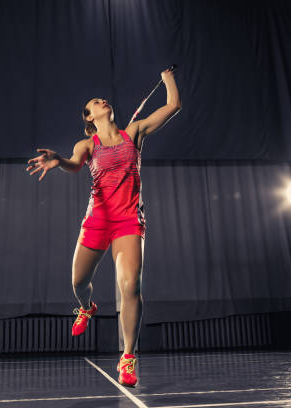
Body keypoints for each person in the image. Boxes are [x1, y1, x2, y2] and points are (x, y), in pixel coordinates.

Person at [26, 68, 180, 387]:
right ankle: (86, 307)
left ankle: (127, 357)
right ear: (89, 116)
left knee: (130, 287)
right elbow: (73, 164)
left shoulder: (134, 132)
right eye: (95, 102)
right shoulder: (88, 144)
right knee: (79, 282)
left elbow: (173, 106)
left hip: (128, 221)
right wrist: (58, 161)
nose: (102, 101)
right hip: (98, 219)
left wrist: (167, 79)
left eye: (103, 99)